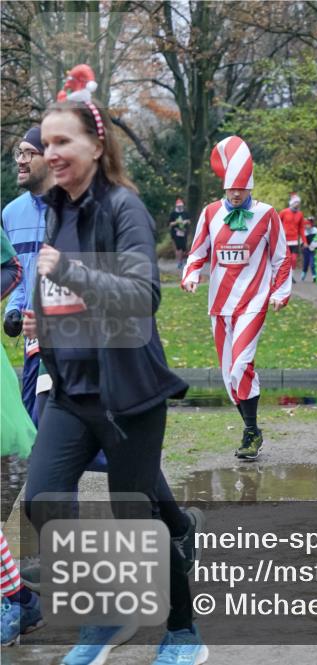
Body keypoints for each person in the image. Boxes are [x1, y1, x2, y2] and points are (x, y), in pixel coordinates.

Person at [23, 99, 205, 663]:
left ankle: (182, 633)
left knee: (138, 520)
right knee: (44, 500)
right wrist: (31, 314)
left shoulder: (125, 207)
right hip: (70, 391)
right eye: (45, 143)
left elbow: (142, 296)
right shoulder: (58, 210)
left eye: (62, 142)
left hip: (128, 395)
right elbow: (59, 290)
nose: (50, 154)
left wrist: (70, 274)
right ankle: (103, 618)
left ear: (97, 148)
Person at [183, 135, 292, 460]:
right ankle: (253, 429)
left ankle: (249, 432)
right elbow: (197, 252)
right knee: (230, 376)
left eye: (241, 189)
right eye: (231, 188)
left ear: (250, 188)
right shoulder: (210, 213)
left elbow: (282, 257)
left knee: (242, 365)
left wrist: (279, 292)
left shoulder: (267, 214)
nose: (235, 193)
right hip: (219, 305)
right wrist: (190, 276)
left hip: (253, 302)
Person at [3, 126, 52, 424]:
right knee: (32, 424)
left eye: (29, 153)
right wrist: (13, 310)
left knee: (50, 425)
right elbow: (19, 270)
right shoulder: (10, 213)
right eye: (18, 153)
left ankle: (135, 467)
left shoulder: (73, 209)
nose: (20, 160)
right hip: (33, 336)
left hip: (69, 334)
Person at [279, 192, 306, 279]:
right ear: (292, 203)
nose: (297, 205)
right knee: (286, 259)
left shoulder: (300, 214)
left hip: (294, 240)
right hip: (285, 240)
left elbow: (301, 228)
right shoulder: (284, 212)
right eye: (295, 202)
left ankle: (292, 276)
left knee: (293, 259)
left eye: (298, 203)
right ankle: (284, 275)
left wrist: (305, 241)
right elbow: (277, 223)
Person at [167, 198, 190, 269]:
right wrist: (176, 222)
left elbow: (189, 221)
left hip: (184, 232)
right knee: (178, 247)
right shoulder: (173, 213)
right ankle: (179, 262)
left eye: (181, 206)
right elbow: (170, 223)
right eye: (179, 206)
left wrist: (185, 221)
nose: (180, 207)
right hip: (175, 232)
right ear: (176, 206)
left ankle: (182, 260)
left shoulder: (185, 213)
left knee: (184, 248)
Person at [300, 215, 317, 282]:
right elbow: (302, 241)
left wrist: (315, 246)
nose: (308, 225)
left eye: (310, 223)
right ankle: (303, 273)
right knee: (306, 263)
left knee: (312, 263)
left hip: (313, 249)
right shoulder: (303, 231)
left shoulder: (316, 231)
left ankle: (314, 276)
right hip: (306, 249)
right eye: (306, 224)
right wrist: (302, 245)